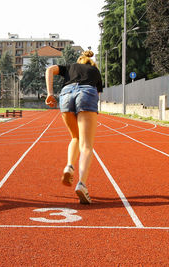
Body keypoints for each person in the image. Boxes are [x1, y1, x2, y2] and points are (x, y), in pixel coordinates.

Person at [45, 50, 103, 204]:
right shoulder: (95, 71)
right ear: (91, 62)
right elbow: (97, 95)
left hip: (66, 93)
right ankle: (82, 184)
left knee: (75, 137)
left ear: (79, 60)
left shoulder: (70, 67)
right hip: (87, 93)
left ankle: (69, 166)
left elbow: (49, 69)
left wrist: (50, 93)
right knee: (87, 146)